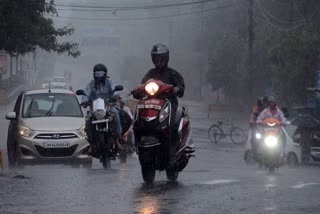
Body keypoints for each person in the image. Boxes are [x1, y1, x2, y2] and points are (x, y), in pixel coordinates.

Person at [133, 43, 185, 152]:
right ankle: (137, 144)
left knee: (172, 124)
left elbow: (180, 86)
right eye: (156, 59)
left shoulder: (172, 74)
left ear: (166, 59)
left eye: (161, 59)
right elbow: (142, 86)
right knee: (137, 122)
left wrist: (177, 88)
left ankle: (173, 149)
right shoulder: (150, 74)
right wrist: (137, 91)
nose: (158, 61)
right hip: (151, 105)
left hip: (168, 103)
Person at [82, 64, 123, 155]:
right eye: (97, 74)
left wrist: (115, 96)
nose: (99, 76)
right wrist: (84, 101)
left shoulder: (110, 82)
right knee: (88, 121)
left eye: (101, 74)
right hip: (95, 109)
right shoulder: (91, 84)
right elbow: (86, 94)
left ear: (105, 74)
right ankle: (91, 145)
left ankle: (117, 141)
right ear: (94, 74)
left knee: (115, 113)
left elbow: (115, 91)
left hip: (108, 107)